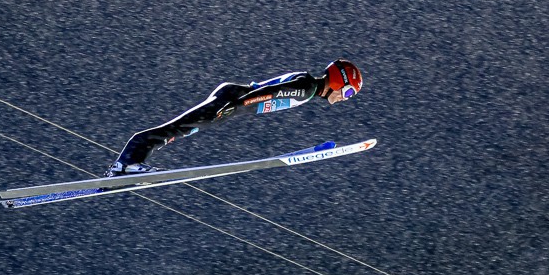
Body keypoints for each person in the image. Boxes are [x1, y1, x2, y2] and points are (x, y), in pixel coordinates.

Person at [104, 59, 363, 176]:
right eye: (348, 92)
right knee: (180, 127)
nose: (345, 98)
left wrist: (237, 105)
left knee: (181, 128)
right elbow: (269, 93)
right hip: (233, 99)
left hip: (234, 100)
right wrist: (236, 104)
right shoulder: (307, 88)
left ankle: (125, 164)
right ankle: (128, 163)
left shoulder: (308, 86)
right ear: (337, 81)